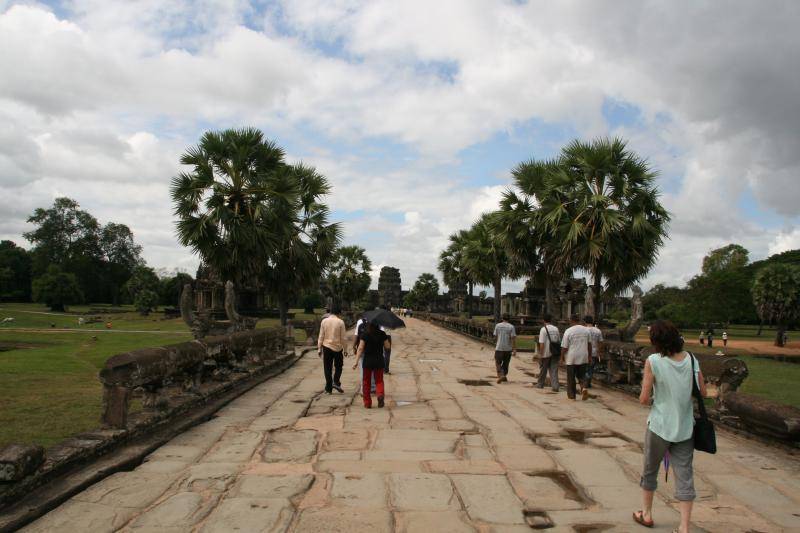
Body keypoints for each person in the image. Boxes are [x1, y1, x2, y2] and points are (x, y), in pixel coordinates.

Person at [633, 320, 706, 533]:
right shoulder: (691, 359)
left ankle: (646, 514)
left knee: (650, 470)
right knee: (684, 475)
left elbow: (644, 398)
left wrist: (656, 393)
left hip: (659, 426)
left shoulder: (653, 361)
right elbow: (702, 391)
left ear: (655, 341)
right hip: (685, 427)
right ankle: (684, 526)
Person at [352, 319, 391, 408]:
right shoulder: (382, 334)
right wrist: (386, 340)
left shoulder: (365, 334)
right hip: (379, 360)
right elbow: (387, 347)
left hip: (368, 361)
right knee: (379, 380)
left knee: (366, 382)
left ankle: (367, 403)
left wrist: (356, 361)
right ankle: (380, 395)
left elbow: (360, 348)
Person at [560, 314, 592, 401]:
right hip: (583, 356)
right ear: (579, 320)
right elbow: (589, 345)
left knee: (571, 377)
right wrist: (589, 356)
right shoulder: (586, 330)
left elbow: (565, 347)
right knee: (582, 375)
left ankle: (572, 396)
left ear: (571, 321)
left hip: (572, 357)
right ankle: (584, 388)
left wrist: (561, 356)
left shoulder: (568, 331)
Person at [318, 305, 346, 394]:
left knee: (327, 368)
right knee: (339, 366)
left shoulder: (324, 321)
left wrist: (319, 348)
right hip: (337, 348)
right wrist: (345, 349)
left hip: (326, 346)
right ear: (339, 313)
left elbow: (321, 336)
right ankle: (336, 381)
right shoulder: (340, 322)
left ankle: (328, 388)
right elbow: (343, 338)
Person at [536, 314, 560, 391]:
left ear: (543, 320)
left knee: (543, 370)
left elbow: (542, 343)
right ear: (551, 320)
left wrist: (541, 354)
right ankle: (555, 386)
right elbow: (558, 341)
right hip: (555, 352)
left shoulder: (543, 329)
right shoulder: (556, 329)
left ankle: (540, 384)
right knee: (554, 370)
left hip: (546, 353)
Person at [493, 313, 517, 383]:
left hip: (499, 347)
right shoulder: (511, 327)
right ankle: (503, 375)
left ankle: (501, 375)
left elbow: (495, 336)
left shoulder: (498, 325)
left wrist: (497, 342)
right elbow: (513, 338)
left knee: (498, 362)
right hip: (508, 348)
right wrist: (514, 349)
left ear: (502, 318)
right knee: (506, 363)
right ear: (509, 319)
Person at [584, 315, 604, 388]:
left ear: (585, 322)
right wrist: (599, 351)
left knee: (584, 368)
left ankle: (585, 382)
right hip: (594, 352)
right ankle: (588, 382)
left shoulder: (584, 330)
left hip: (585, 352)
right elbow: (601, 342)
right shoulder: (598, 330)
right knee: (591, 368)